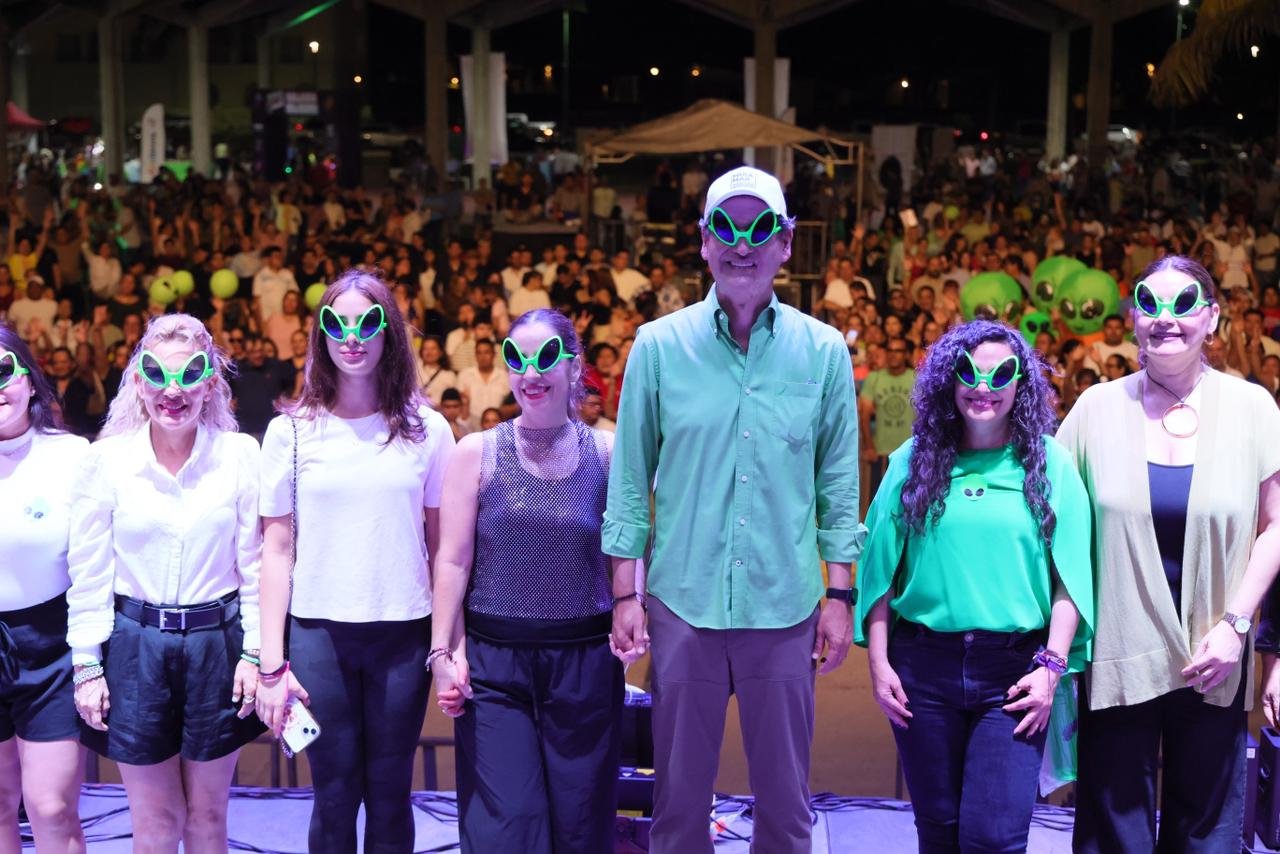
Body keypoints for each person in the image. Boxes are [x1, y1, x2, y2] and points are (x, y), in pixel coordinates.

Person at [603, 166, 863, 854]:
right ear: (703, 241)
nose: (741, 245)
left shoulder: (823, 352)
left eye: (759, 229)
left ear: (785, 243)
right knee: (677, 804)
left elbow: (839, 486)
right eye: (726, 227)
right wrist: (625, 593)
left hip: (785, 607)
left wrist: (840, 596)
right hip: (682, 606)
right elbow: (629, 481)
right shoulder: (659, 347)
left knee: (786, 807)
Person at [1058, 255, 1280, 850]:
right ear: (1132, 318)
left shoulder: (1253, 408)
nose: (1165, 318)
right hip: (1118, 654)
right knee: (1114, 831)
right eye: (1149, 304)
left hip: (1215, 654)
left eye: (1183, 304)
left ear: (1212, 317)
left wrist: (1238, 626)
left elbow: (1275, 527)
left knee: (1206, 833)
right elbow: (1054, 522)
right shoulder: (1095, 409)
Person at [853, 319, 1093, 852]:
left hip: (1015, 673)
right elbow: (879, 572)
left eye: (1000, 374)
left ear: (1020, 384)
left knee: (995, 838)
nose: (983, 388)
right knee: (937, 831)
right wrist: (879, 663)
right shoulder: (912, 460)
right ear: (948, 378)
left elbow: (1072, 580)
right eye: (969, 372)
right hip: (922, 669)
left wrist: (1052, 668)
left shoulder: (1050, 464)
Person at [254, 270, 454, 853]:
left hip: (404, 633)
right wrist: (271, 664)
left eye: (367, 322)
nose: (352, 336)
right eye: (336, 323)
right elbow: (276, 550)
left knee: (391, 794)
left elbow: (444, 551)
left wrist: (448, 645)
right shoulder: (290, 432)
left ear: (389, 331)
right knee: (334, 794)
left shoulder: (428, 430)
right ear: (320, 333)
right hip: (318, 634)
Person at [431, 308, 628, 853]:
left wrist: (631, 614)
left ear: (574, 365)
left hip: (585, 661)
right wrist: (443, 651)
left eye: (545, 357)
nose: (531, 373)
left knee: (581, 823)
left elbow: (625, 552)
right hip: (495, 664)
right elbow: (452, 561)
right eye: (517, 359)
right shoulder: (476, 452)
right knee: (509, 822)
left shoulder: (607, 453)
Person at [66, 314, 264, 853]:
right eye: (157, 374)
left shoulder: (239, 455)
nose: (172, 391)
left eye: (189, 374)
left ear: (210, 383)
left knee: (208, 817)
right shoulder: (106, 460)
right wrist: (86, 666)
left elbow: (254, 565)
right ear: (138, 381)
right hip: (135, 646)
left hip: (216, 644)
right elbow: (89, 571)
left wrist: (255, 653)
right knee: (155, 821)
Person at [0, 327, 89, 853]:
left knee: (51, 808)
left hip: (52, 646)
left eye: (2, 371)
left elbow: (95, 567)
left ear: (29, 380)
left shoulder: (71, 456)